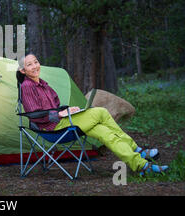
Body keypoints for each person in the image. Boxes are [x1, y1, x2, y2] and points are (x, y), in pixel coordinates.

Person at [18, 53, 168, 176]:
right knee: (101, 112)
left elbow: (56, 106)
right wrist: (60, 114)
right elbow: (34, 114)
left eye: (36, 62)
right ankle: (137, 149)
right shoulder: (27, 86)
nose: (35, 66)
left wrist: (69, 110)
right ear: (23, 71)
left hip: (63, 122)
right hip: (52, 129)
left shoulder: (44, 84)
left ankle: (142, 166)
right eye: (29, 64)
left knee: (106, 134)